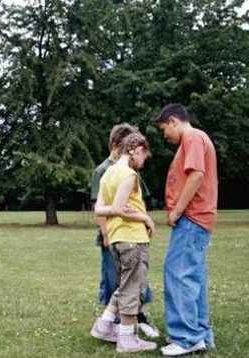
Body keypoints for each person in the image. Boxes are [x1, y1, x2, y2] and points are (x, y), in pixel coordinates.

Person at [152, 103, 217, 356]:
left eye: (163, 130)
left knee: (178, 274)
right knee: (194, 278)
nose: (164, 136)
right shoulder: (196, 139)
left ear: (172, 121)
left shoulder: (192, 137)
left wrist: (177, 211)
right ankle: (199, 334)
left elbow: (196, 175)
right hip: (198, 220)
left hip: (191, 219)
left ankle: (186, 338)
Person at [90, 132, 157, 353]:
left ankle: (104, 324)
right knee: (134, 287)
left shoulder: (108, 173)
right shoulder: (129, 175)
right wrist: (144, 217)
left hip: (117, 236)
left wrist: (118, 209)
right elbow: (119, 208)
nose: (143, 162)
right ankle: (127, 338)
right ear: (136, 150)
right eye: (143, 157)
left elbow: (100, 209)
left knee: (125, 284)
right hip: (132, 237)